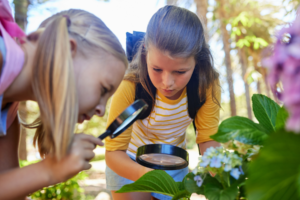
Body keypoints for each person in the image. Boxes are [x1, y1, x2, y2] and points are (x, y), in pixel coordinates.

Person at [0, 1, 127, 199]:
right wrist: (48, 170)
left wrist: (49, 172)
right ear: (68, 50)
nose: (102, 110)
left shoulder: (8, 114)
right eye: (104, 89)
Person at [105, 5, 221, 200]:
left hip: (174, 163)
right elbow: (113, 153)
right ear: (145, 53)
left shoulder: (205, 85)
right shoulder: (130, 87)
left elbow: (208, 140)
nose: (167, 83)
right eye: (157, 69)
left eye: (180, 72)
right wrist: (150, 177)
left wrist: (222, 180)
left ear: (197, 62)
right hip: (128, 162)